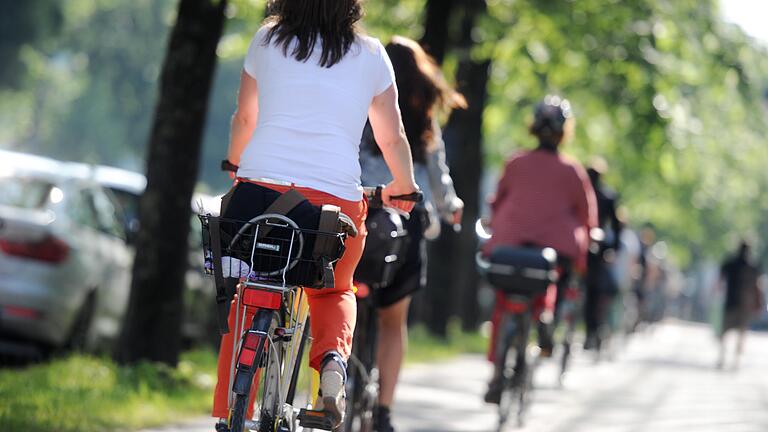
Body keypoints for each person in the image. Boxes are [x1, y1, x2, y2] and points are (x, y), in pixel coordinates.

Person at [211, 1, 419, 428]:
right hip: (332, 204)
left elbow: (245, 117)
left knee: (250, 283)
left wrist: (235, 165)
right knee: (333, 290)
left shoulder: (266, 40)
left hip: (257, 194)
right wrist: (404, 187)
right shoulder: (372, 55)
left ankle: (233, 401)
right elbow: (391, 136)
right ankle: (330, 370)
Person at [358, 36, 465, 432]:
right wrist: (451, 207)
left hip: (361, 210)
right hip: (407, 218)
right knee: (392, 320)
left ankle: (329, 390)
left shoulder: (362, 101)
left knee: (341, 300)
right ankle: (383, 411)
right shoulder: (423, 119)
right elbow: (438, 178)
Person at [483, 95, 597, 403]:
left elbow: (497, 201)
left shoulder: (515, 162)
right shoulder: (574, 172)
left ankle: (496, 374)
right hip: (552, 249)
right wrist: (584, 254)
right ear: (564, 132)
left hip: (507, 246)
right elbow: (587, 217)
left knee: (502, 303)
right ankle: (544, 318)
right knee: (549, 280)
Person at [583, 159, 623, 351]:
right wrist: (612, 249)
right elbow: (617, 227)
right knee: (593, 291)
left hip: (589, 246)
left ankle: (592, 331)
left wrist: (611, 249)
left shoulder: (601, 195)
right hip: (594, 247)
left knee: (594, 291)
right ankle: (591, 330)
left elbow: (615, 226)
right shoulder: (606, 195)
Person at [716, 240, 763, 369]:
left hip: (730, 302)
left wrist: (715, 294)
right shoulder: (753, 266)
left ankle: (722, 357)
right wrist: (758, 303)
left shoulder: (730, 263)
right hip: (745, 305)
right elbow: (758, 286)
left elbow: (719, 281)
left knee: (724, 332)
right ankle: (735, 361)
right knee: (741, 333)